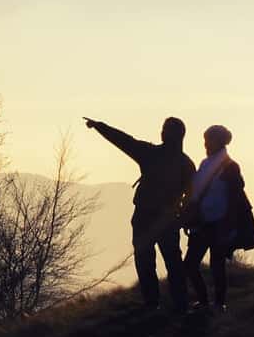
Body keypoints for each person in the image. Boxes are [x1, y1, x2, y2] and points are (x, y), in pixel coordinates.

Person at [85, 115, 195, 312]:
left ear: (168, 134)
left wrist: (100, 126)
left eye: (164, 129)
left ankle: (152, 303)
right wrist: (183, 219)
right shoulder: (186, 163)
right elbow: (192, 196)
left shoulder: (151, 154)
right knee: (173, 261)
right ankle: (180, 304)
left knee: (145, 261)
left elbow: (124, 141)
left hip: (145, 216)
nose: (161, 132)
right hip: (168, 219)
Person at [183, 124, 245, 312]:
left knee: (213, 265)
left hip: (218, 223)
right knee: (196, 265)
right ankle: (210, 302)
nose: (205, 144)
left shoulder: (229, 167)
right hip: (204, 222)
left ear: (218, 141)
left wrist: (230, 224)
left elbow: (235, 196)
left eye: (208, 140)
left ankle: (215, 303)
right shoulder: (208, 164)